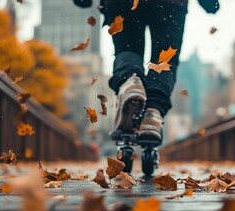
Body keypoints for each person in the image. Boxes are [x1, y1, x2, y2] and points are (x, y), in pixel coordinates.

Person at [74, 0, 220, 143]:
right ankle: (152, 112)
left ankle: (131, 82)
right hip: (170, 5)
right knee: (164, 60)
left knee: (127, 50)